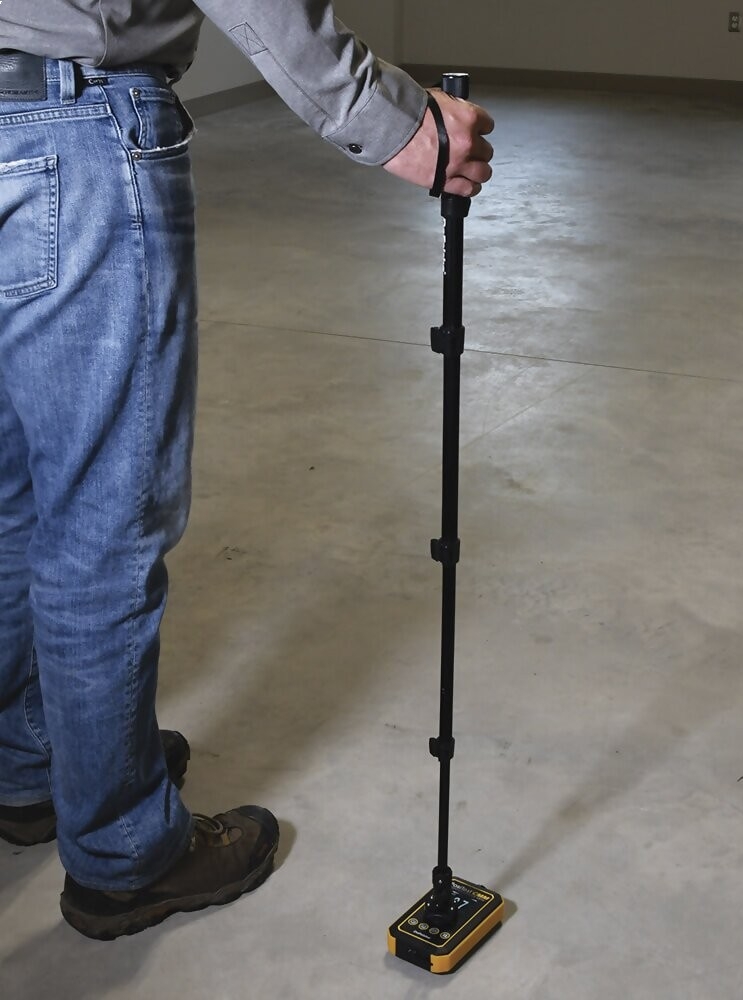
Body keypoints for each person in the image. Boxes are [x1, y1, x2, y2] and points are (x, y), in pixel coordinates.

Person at [0, 1, 494, 940]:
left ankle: (32, 767)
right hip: (72, 129)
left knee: (11, 498)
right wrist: (391, 120)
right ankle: (123, 854)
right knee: (101, 523)